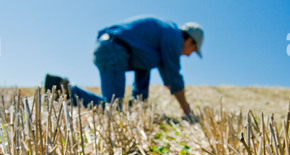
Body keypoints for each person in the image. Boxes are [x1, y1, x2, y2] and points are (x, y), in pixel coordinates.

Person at [45, 15, 204, 120]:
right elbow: (174, 77)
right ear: (189, 40)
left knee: (118, 109)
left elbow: (151, 72)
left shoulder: (159, 41)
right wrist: (186, 109)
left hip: (111, 47)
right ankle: (64, 90)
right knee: (113, 108)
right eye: (193, 50)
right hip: (113, 49)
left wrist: (138, 105)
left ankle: (65, 91)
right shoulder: (174, 36)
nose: (189, 55)